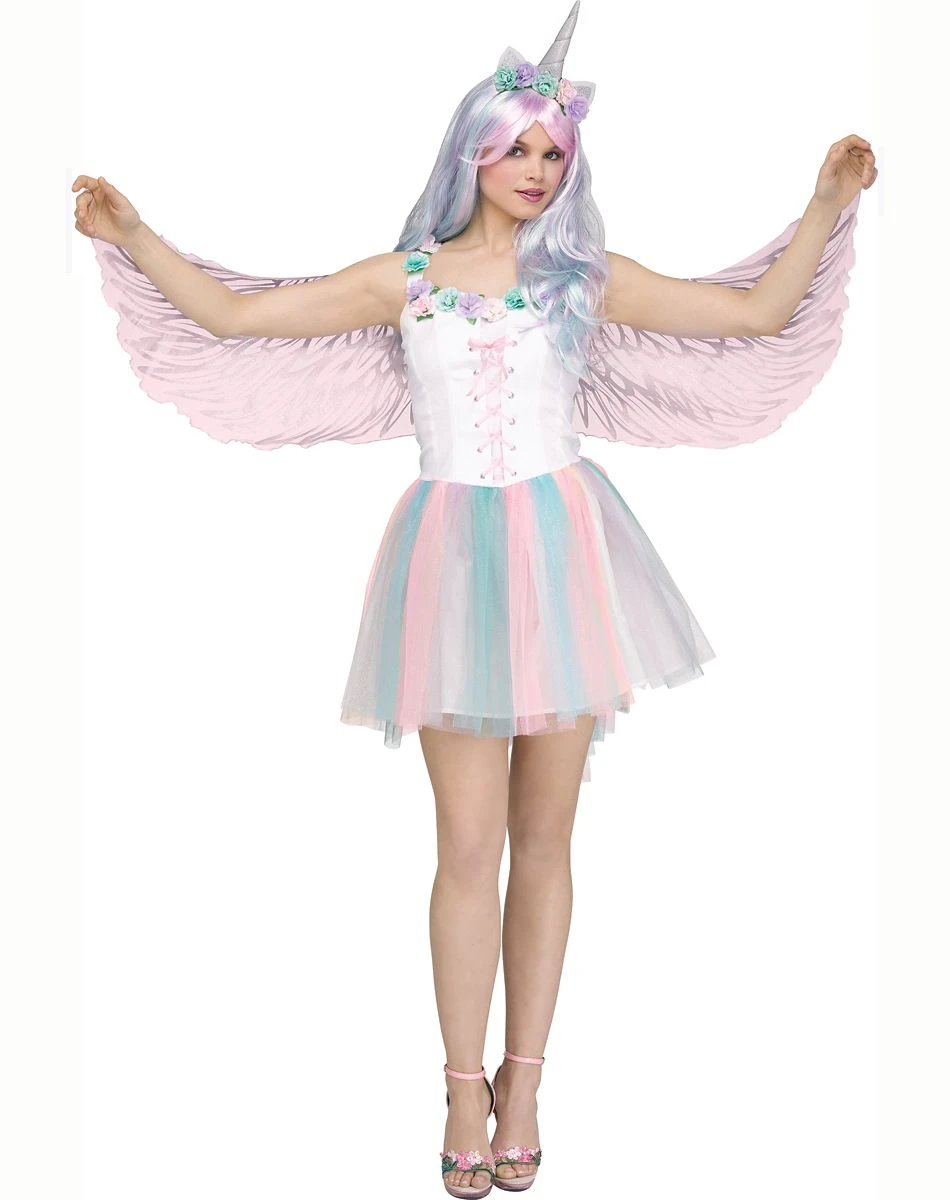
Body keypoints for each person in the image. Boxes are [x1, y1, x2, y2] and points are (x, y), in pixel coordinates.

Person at [72, 3, 875, 1193]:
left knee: (546, 839)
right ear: (473, 153)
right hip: (450, 563)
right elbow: (236, 316)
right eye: (517, 149)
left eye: (554, 153)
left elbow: (749, 315)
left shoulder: (580, 282)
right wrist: (133, 232)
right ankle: (460, 1086)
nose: (537, 170)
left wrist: (821, 204)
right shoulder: (404, 281)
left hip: (566, 558)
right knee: (467, 841)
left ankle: (526, 1081)